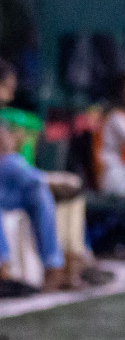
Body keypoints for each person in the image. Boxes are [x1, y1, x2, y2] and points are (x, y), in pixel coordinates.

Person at [0, 60, 70, 290]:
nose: (10, 95)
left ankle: (55, 266)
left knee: (39, 193)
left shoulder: (6, 119)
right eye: (7, 87)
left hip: (6, 190)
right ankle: (3, 268)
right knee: (13, 163)